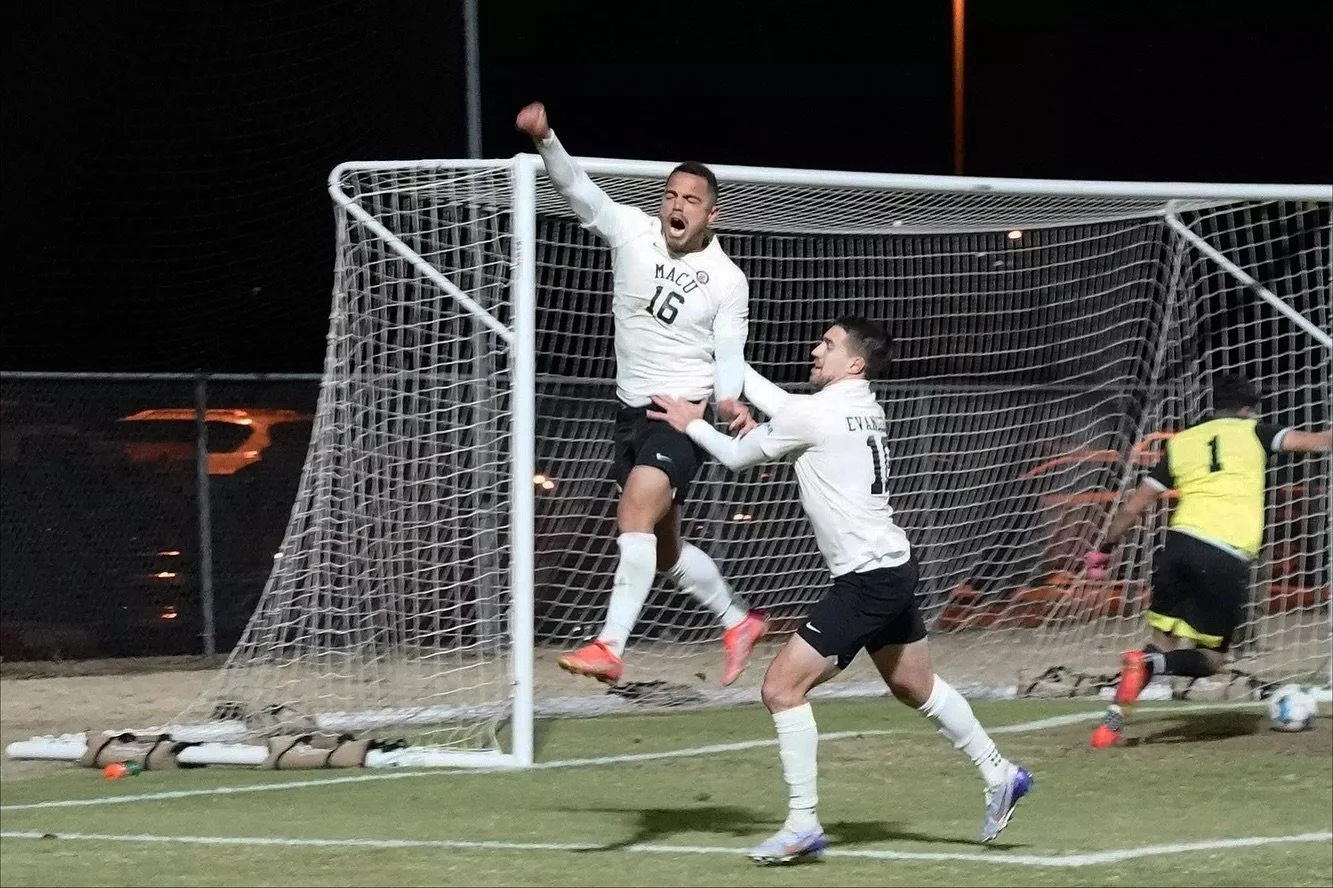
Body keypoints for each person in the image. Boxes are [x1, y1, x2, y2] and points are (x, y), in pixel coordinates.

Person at [648, 317, 1033, 863]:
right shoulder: (862, 405)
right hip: (894, 565)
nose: (814, 349)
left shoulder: (819, 412)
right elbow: (785, 405)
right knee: (913, 685)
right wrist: (725, 369)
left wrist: (692, 421)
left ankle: (802, 823)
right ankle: (1001, 773)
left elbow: (735, 457)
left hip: (866, 581)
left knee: (781, 689)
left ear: (853, 363)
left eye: (826, 345)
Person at [514, 102, 768, 687]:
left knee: (632, 514)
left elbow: (728, 362)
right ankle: (739, 619)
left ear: (712, 213)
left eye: (692, 200)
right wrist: (546, 137)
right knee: (666, 551)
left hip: (676, 421)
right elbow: (577, 189)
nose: (678, 206)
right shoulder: (631, 229)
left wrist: (728, 404)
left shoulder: (728, 281)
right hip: (628, 414)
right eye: (672, 195)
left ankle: (610, 644)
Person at [1086, 373, 1332, 748]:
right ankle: (1148, 667)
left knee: (1160, 641)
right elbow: (1320, 443)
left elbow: (1135, 505)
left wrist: (1105, 547)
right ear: (1249, 410)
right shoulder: (1256, 433)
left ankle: (1111, 725)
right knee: (1212, 659)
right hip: (1223, 555)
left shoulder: (1182, 442)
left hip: (1178, 547)